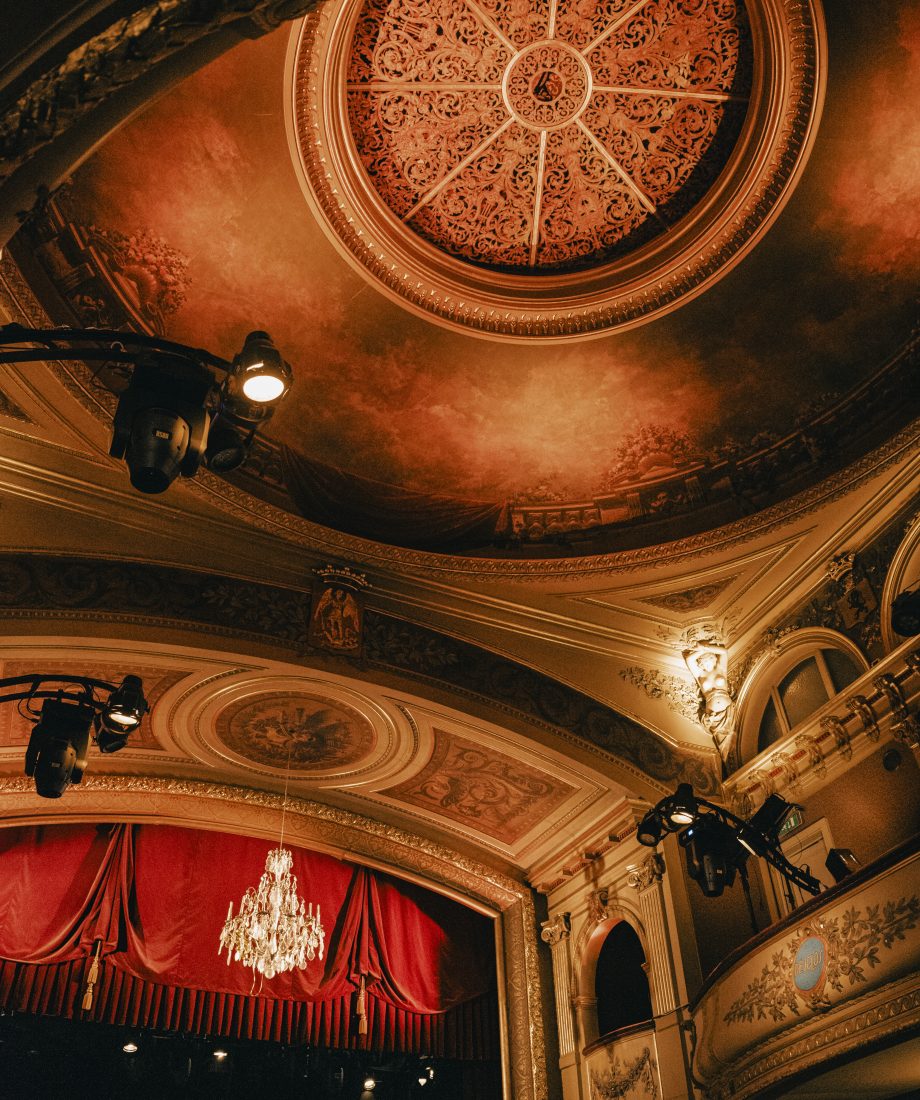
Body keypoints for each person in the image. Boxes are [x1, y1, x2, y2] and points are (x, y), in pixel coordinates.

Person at [684, 641, 736, 766]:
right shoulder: (700, 675)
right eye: (704, 662)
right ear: (701, 664)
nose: (707, 663)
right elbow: (689, 660)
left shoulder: (720, 670)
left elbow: (724, 652)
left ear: (713, 659)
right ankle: (730, 767)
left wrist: (705, 647)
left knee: (734, 740)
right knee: (724, 747)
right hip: (713, 716)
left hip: (728, 711)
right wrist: (702, 650)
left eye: (709, 660)